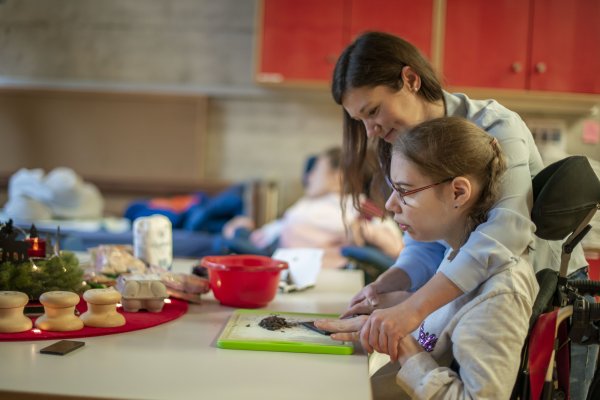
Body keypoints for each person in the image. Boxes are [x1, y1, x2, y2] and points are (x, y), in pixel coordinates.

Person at [328, 31, 593, 398]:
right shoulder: (408, 145)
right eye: (360, 120)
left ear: (410, 79)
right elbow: (427, 246)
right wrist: (384, 286)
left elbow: (505, 235)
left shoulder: (497, 126)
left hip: (538, 286)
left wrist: (411, 312)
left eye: (373, 111)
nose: (370, 129)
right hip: (478, 296)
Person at [317, 117, 538, 398]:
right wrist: (383, 308)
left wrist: (402, 345)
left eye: (405, 191)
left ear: (458, 192)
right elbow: (445, 323)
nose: (390, 204)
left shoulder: (500, 294)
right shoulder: (453, 256)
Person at [220, 146, 403, 269]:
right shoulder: (312, 203)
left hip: (269, 255)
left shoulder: (359, 207)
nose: (308, 177)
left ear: (338, 176)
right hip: (259, 244)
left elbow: (396, 246)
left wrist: (361, 230)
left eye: (316, 170)